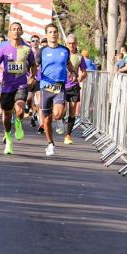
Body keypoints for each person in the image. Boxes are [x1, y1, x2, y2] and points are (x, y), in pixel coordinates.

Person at [0, 22, 36, 155]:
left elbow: (33, 64)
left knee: (20, 110)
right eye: (13, 29)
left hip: (21, 84)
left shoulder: (27, 49)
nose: (16, 31)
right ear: (10, 32)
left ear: (21, 31)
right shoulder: (3, 48)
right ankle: (8, 139)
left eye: (18, 29)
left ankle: (19, 121)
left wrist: (33, 76)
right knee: (7, 114)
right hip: (7, 85)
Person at [37, 23, 74, 157]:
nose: (53, 34)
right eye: (50, 32)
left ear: (58, 34)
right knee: (46, 120)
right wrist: (31, 76)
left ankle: (59, 120)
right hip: (45, 87)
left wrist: (73, 71)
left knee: (58, 114)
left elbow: (68, 63)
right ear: (46, 34)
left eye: (55, 32)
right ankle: (50, 144)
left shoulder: (64, 50)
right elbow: (35, 66)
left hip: (59, 86)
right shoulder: (42, 51)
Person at [63, 34, 87, 145]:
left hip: (73, 86)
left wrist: (80, 77)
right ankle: (59, 121)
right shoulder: (61, 54)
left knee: (72, 111)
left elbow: (84, 72)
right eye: (69, 43)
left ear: (76, 43)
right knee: (61, 111)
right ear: (66, 44)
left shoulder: (79, 57)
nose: (71, 45)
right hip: (61, 86)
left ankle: (68, 135)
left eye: (73, 43)